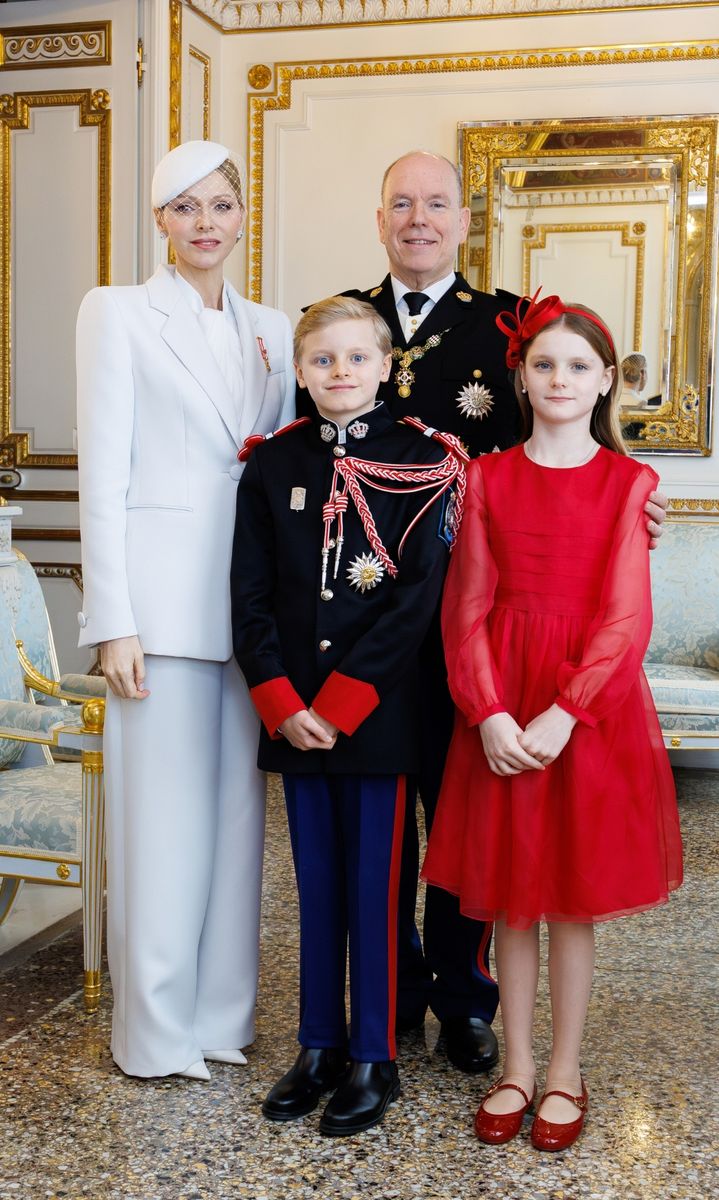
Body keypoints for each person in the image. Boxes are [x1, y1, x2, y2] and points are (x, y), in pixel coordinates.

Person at [301, 149, 669, 1076]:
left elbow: (569, 467)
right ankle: (386, 1004)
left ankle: (467, 1002)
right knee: (387, 829)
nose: (418, 219)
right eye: (400, 204)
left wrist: (631, 508)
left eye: (436, 203)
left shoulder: (502, 324)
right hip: (373, 626)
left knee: (483, 832)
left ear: (463, 219)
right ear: (378, 218)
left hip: (495, 638)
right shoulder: (340, 324)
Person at [422, 290, 683, 1151]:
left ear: (605, 380)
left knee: (568, 902)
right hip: (501, 703)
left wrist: (565, 714)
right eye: (544, 365)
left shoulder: (629, 483)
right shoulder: (487, 476)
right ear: (521, 378)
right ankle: (517, 1066)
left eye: (578, 366)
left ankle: (565, 1069)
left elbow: (624, 618)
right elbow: (466, 608)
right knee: (508, 904)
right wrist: (489, 712)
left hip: (586, 713)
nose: (560, 378)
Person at [76, 140, 295, 1080]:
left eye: (220, 205)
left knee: (234, 826)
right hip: (158, 611)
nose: (205, 223)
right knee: (160, 829)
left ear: (242, 216)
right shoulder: (117, 313)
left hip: (248, 610)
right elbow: (102, 471)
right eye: (184, 208)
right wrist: (112, 618)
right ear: (159, 222)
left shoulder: (275, 329)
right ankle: (154, 1034)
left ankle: (219, 1020)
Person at [231, 295, 466, 1135]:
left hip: (376, 718)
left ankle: (375, 1054)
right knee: (316, 889)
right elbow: (250, 595)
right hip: (292, 717)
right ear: (299, 371)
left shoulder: (424, 461)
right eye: (322, 360)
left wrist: (337, 705)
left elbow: (415, 602)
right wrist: (281, 703)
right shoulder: (272, 465)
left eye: (355, 358)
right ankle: (318, 1044)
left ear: (386, 367)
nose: (339, 373)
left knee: (375, 890)